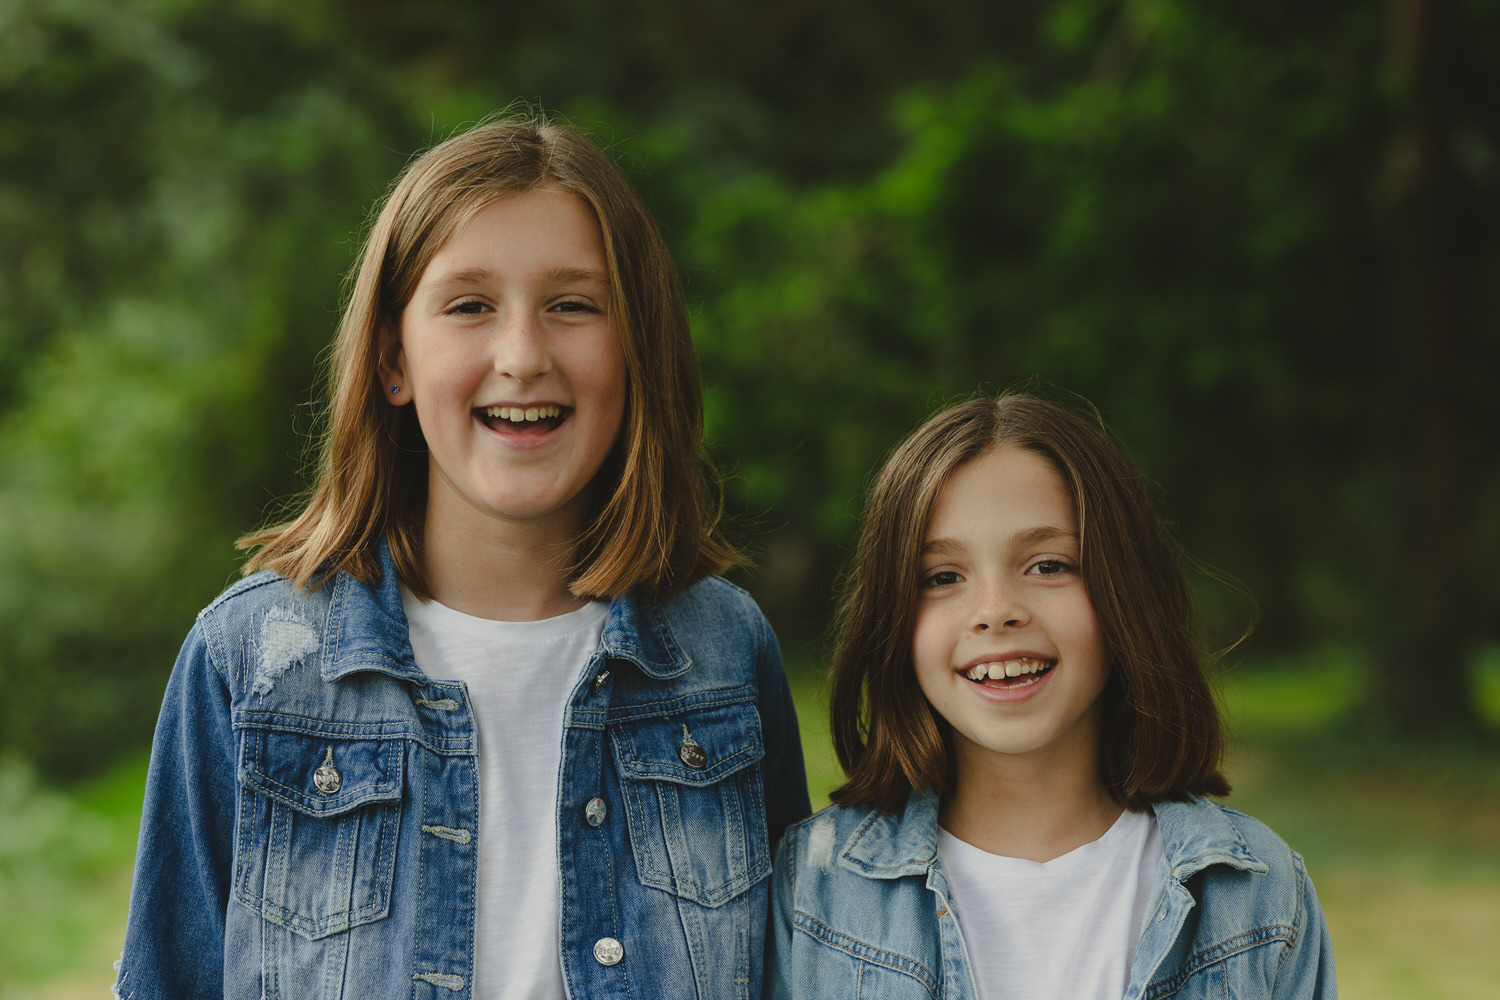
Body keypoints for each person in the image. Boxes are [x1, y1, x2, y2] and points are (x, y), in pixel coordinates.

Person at [114, 112, 810, 1000]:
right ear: (393, 360)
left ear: (638, 349)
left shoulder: (723, 652)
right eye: (470, 305)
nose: (522, 356)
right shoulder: (250, 664)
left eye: (573, 304)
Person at [765, 392, 1335, 999]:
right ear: (891, 622)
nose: (995, 611)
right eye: (942, 577)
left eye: (1047, 565)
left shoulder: (1258, 893)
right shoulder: (815, 886)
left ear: (1125, 591)